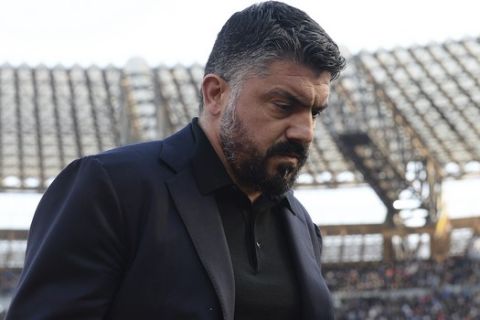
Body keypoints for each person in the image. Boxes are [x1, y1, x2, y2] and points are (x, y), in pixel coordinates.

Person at [6, 1, 345, 319]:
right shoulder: (110, 189)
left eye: (315, 112)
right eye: (283, 105)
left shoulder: (301, 223)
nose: (305, 131)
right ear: (216, 94)